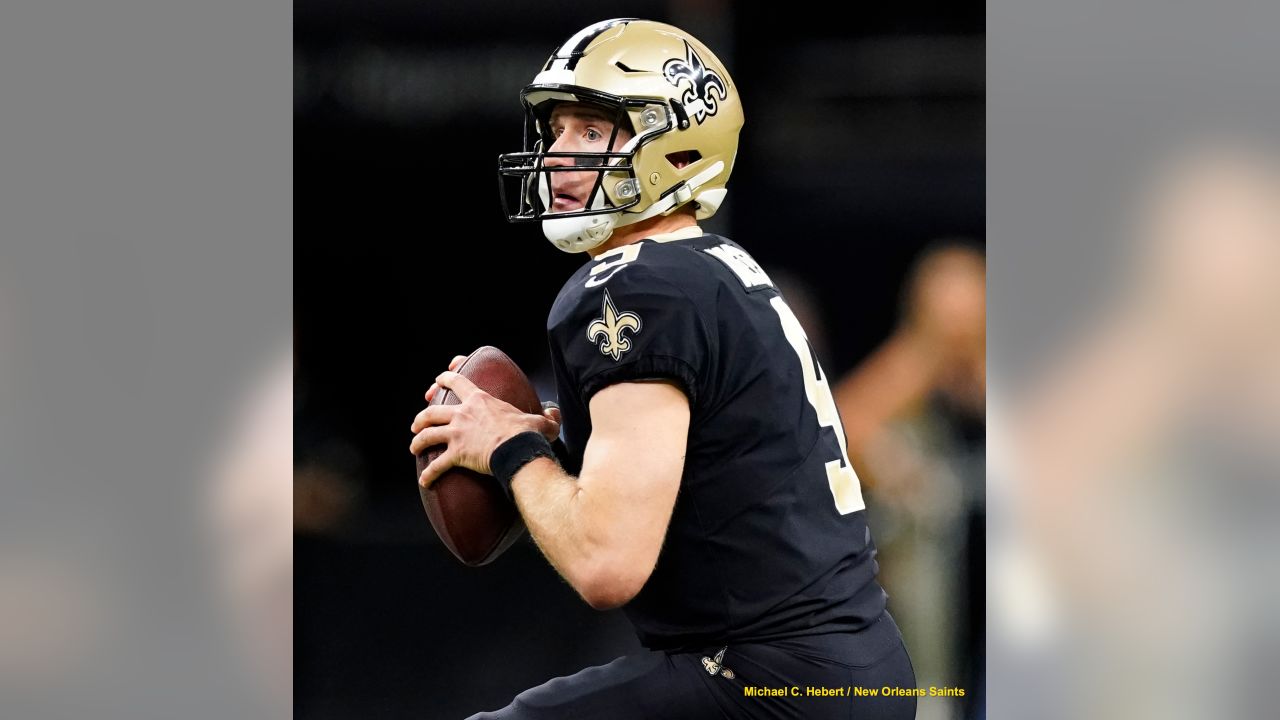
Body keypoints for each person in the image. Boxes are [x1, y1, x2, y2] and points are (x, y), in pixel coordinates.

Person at [410, 19, 915, 719]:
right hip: (845, 667)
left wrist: (511, 447)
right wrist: (557, 450)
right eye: (556, 130)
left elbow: (606, 564)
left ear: (678, 151)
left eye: (591, 131)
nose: (558, 155)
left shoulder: (631, 286)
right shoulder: (714, 265)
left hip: (769, 678)